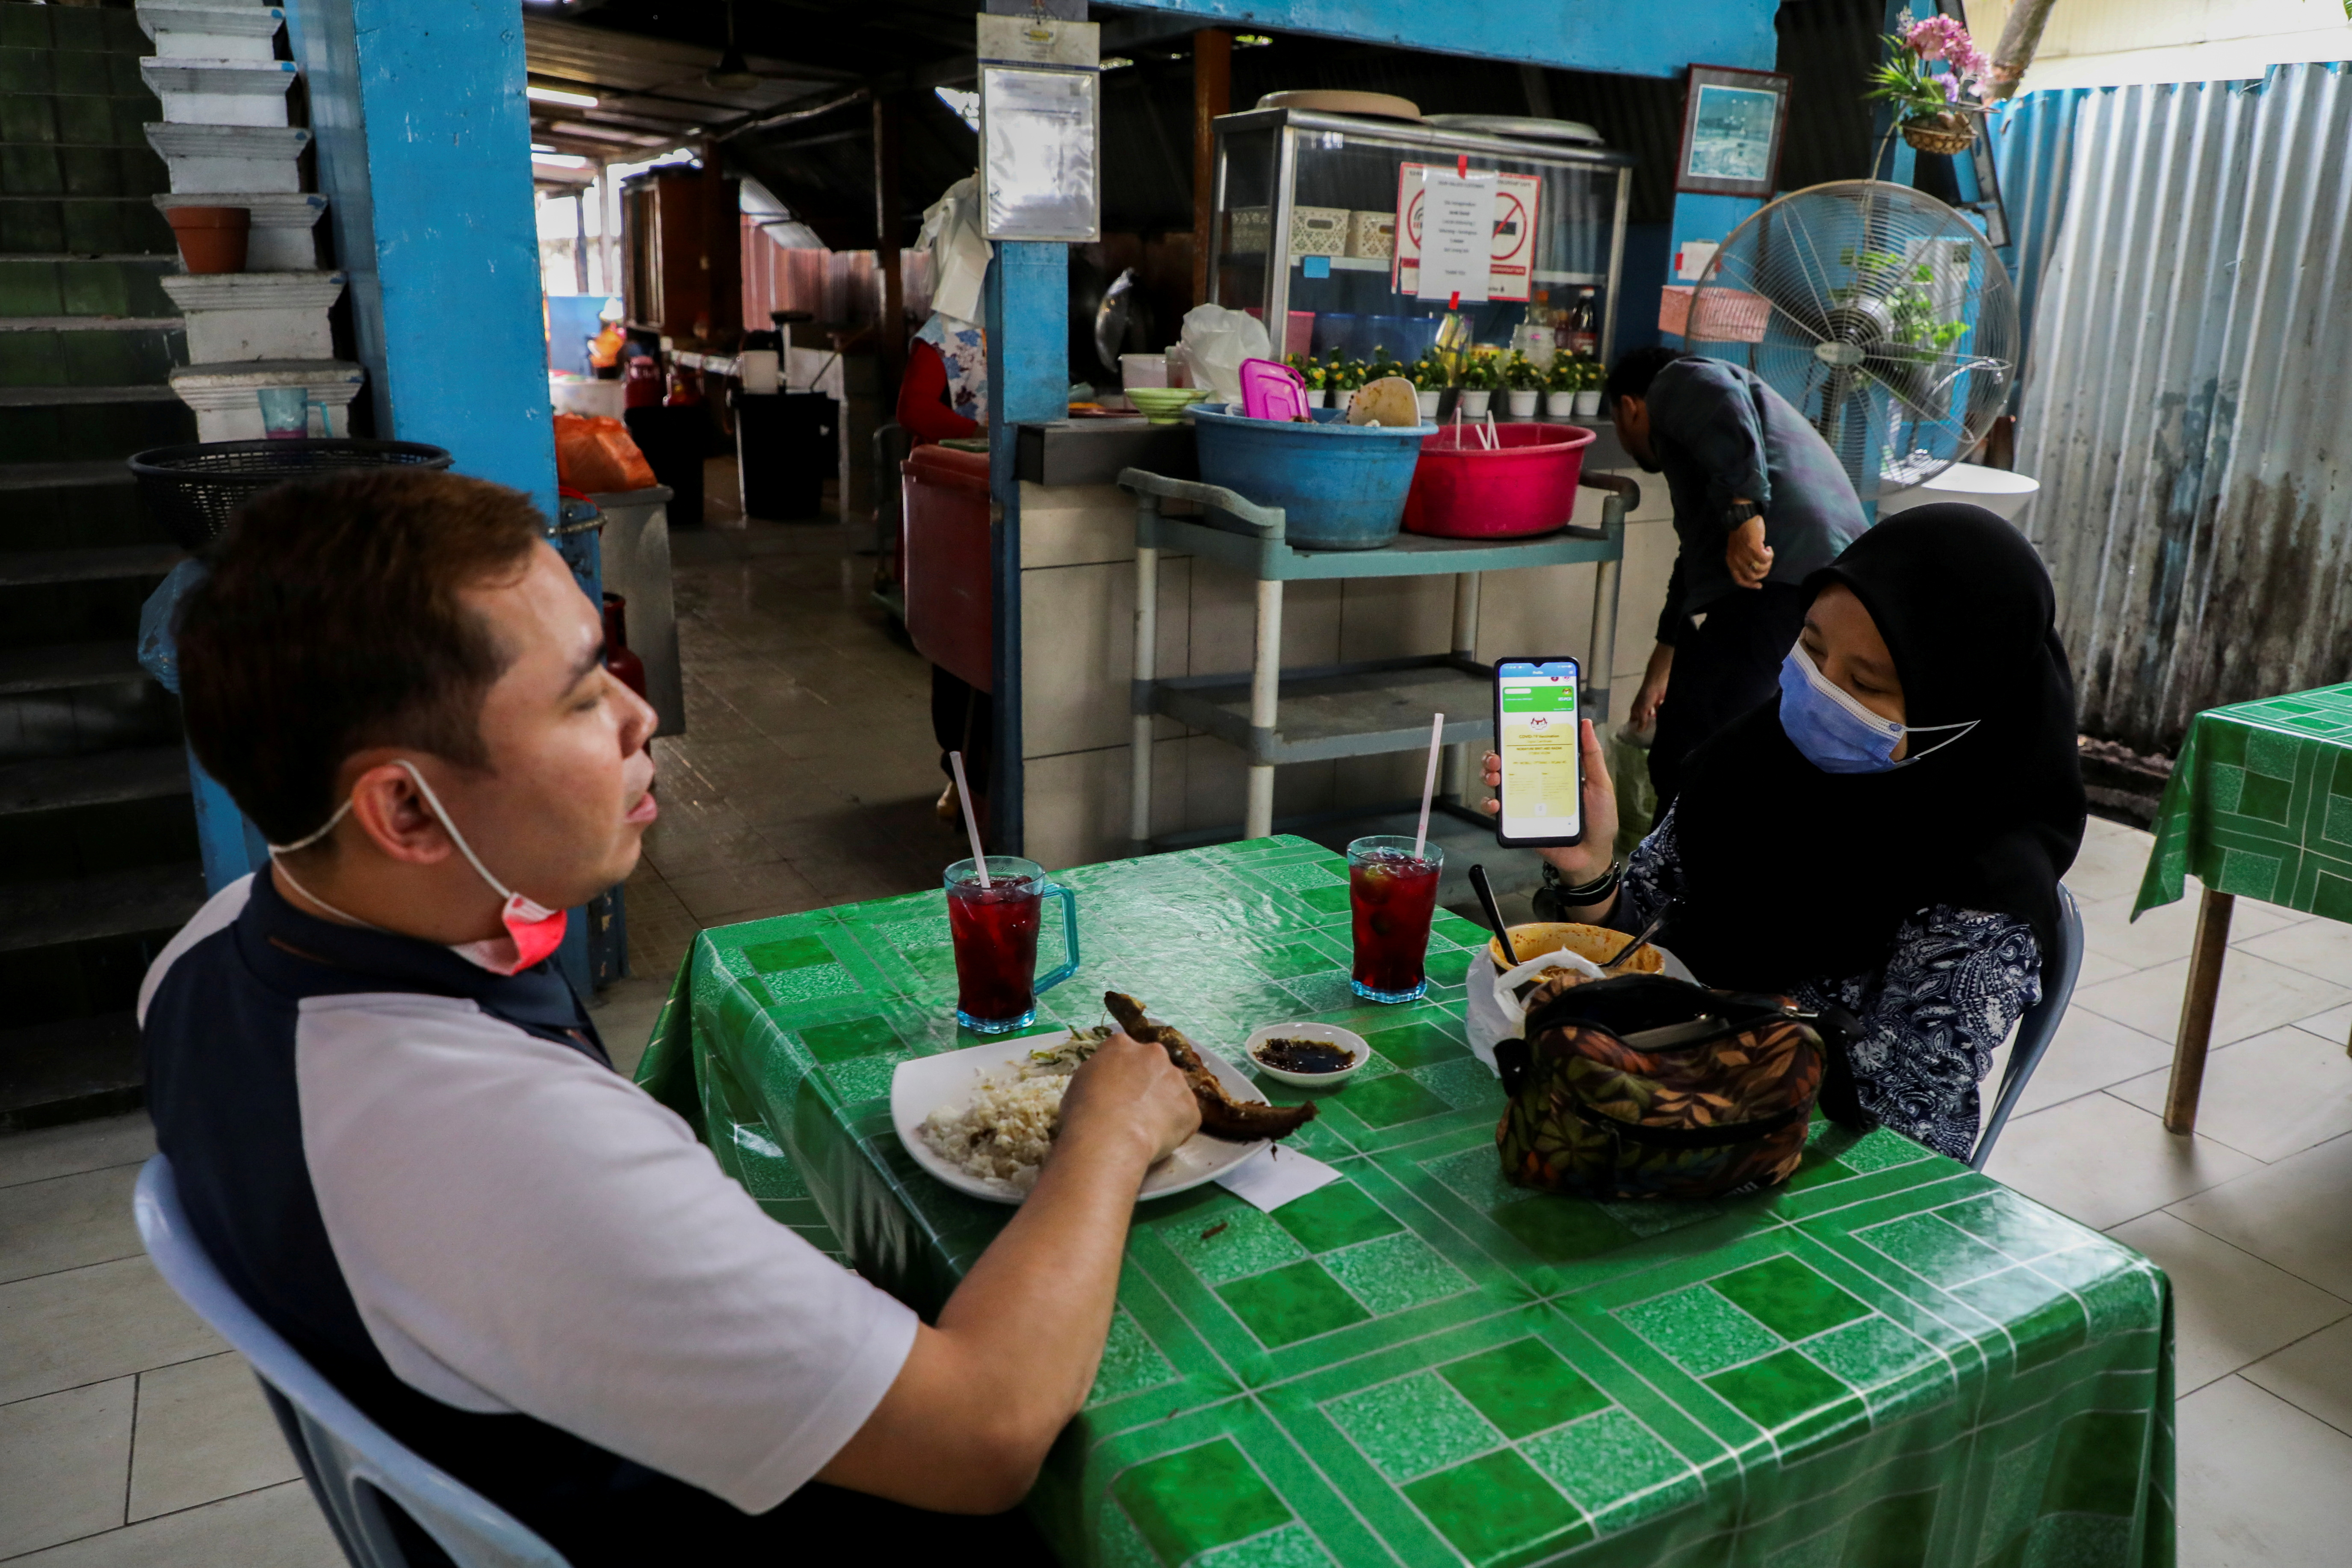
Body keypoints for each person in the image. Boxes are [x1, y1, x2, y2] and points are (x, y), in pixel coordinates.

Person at [143, 470, 1200, 1563]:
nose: (641, 715)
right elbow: (985, 1436)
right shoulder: (499, 1138)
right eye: (582, 693)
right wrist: (1108, 1135)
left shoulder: (205, 951)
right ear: (406, 806)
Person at [1484, 505, 2084, 1159]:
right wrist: (1591, 872)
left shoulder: (1985, 881)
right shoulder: (1751, 763)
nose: (1820, 689)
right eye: (1813, 646)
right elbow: (1644, 943)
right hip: (1644, 1117)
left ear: (1960, 708)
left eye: (1865, 683)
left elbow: (1897, 1124)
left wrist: (1695, 1036)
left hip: (1806, 1177)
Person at [1606, 345, 1870, 809]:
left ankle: (1679, 874)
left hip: (1778, 578)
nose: (1626, 441)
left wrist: (1745, 512)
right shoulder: (1711, 465)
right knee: (1713, 732)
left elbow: (1720, 401)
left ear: (1629, 407)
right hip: (1822, 579)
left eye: (1618, 424)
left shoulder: (1677, 381)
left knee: (1701, 745)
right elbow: (1693, 560)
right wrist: (1659, 667)